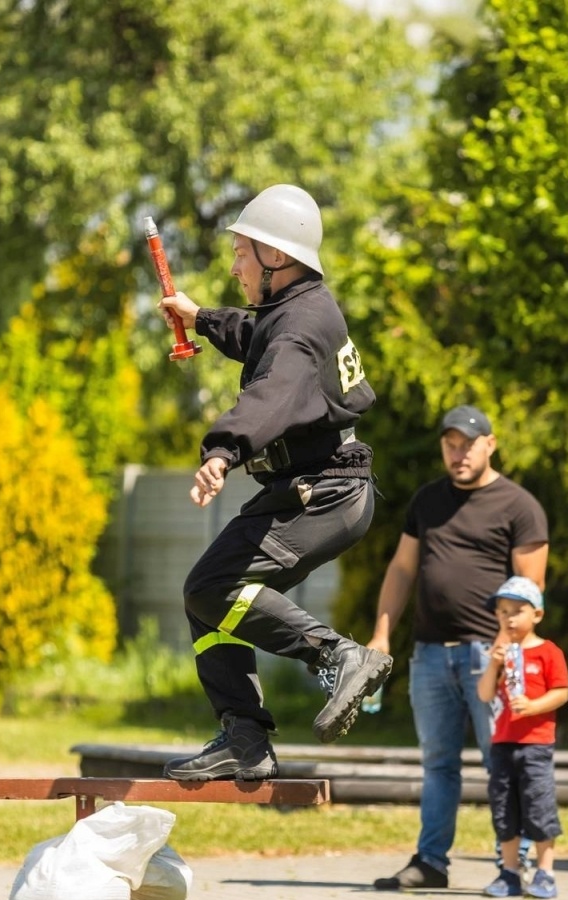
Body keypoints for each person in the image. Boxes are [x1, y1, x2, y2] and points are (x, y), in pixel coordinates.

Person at [156, 184, 393, 782]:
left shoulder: (296, 331)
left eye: (242, 252)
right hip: (323, 490)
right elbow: (256, 337)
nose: (234, 264)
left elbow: (271, 393)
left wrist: (221, 451)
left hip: (322, 493)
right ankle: (244, 737)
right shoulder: (300, 309)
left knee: (210, 587)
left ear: (277, 259)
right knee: (206, 596)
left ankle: (338, 656)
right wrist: (200, 318)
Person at [368, 405, 549, 890]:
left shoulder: (519, 506)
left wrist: (501, 650)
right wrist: (382, 633)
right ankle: (430, 863)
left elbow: (531, 589)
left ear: (490, 444)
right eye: (450, 444)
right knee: (438, 764)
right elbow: (403, 569)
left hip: (487, 657)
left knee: (502, 762)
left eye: (468, 443)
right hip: (429, 654)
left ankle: (517, 865)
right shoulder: (427, 501)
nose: (458, 453)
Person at [475, 576, 568, 899]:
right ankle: (510, 873)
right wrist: (493, 665)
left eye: (517, 611)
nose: (509, 618)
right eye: (503, 612)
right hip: (502, 744)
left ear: (537, 615)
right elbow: (485, 694)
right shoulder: (501, 653)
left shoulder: (548, 652)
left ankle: (546, 872)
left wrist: (532, 706)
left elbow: (561, 693)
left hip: (536, 746)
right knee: (504, 808)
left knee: (538, 807)